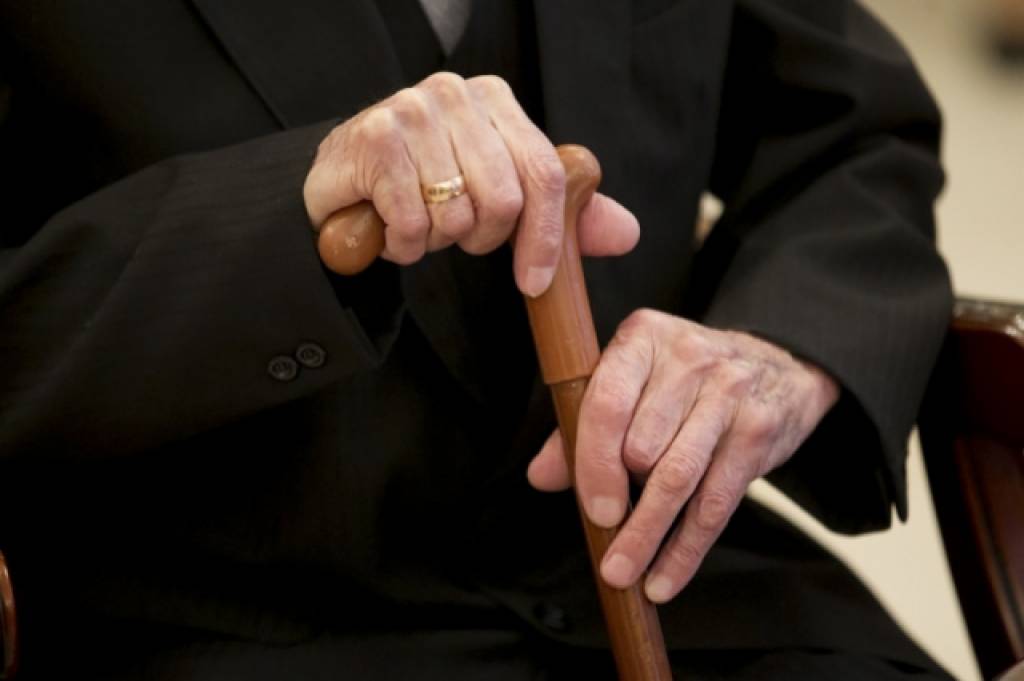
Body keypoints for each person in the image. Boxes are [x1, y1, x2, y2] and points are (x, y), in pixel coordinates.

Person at [0, 0, 954, 678]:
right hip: (236, 621)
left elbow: (856, 135)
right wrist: (286, 210)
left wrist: (781, 350)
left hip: (675, 598)